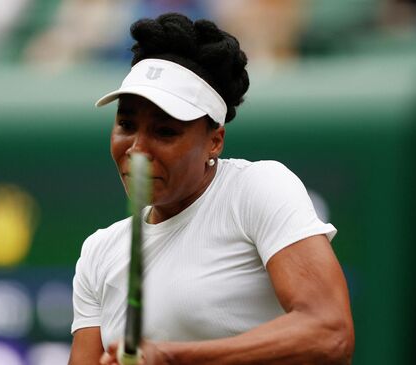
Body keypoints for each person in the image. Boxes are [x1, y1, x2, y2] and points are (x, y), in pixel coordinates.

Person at [69, 13, 355, 365]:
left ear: (214, 141)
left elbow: (329, 332)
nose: (137, 149)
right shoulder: (99, 252)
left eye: (165, 132)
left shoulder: (258, 188)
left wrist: (173, 357)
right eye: (126, 125)